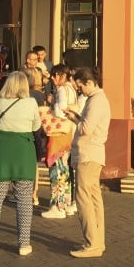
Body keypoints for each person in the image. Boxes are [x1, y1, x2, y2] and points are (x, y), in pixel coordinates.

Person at [0, 71, 41, 256]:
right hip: (23, 153)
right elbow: (36, 127)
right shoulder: (31, 102)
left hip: (1, 153)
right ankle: (24, 244)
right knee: (24, 201)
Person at [65, 66, 111, 259]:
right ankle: (97, 241)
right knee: (93, 198)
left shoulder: (96, 101)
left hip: (88, 154)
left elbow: (86, 128)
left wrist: (75, 118)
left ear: (89, 83)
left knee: (83, 199)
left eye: (80, 86)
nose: (79, 90)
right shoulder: (98, 99)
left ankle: (92, 243)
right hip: (94, 154)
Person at [42, 64, 77, 219]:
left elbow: (60, 111)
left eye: (55, 75)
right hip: (68, 135)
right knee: (65, 171)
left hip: (59, 135)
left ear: (62, 76)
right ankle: (67, 204)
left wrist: (52, 103)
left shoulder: (62, 90)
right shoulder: (71, 89)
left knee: (57, 171)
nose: (52, 78)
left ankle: (57, 205)